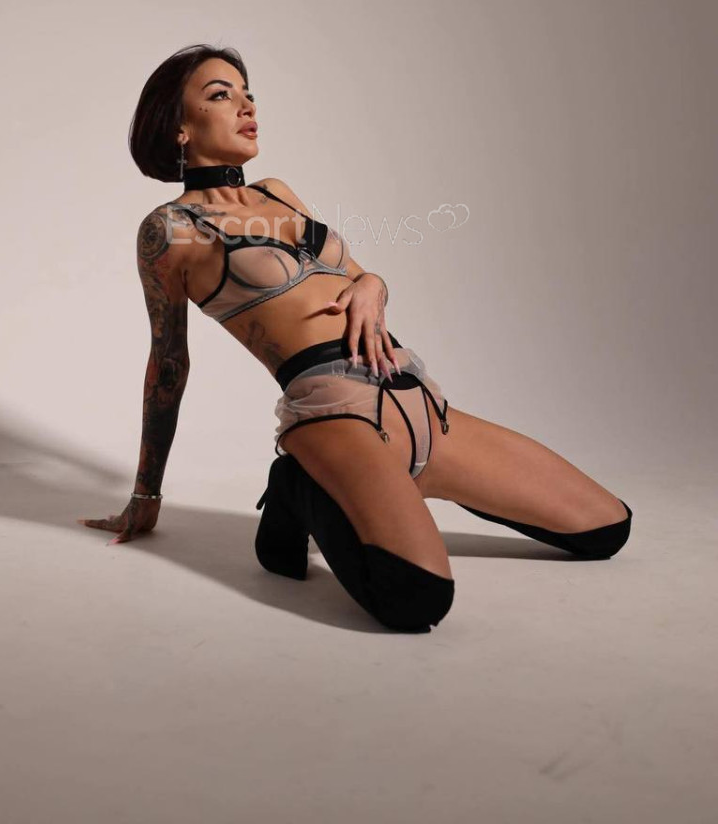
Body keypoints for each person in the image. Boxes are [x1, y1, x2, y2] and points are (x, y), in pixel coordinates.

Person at [78, 43, 633, 633]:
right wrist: (146, 495)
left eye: (248, 94)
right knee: (417, 599)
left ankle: (401, 482)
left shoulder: (277, 193)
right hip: (334, 414)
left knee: (607, 528)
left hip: (416, 398)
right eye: (221, 95)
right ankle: (297, 485)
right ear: (180, 127)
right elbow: (168, 364)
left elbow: (358, 275)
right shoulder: (170, 231)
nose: (247, 106)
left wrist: (374, 286)